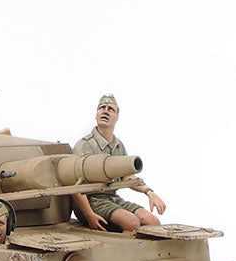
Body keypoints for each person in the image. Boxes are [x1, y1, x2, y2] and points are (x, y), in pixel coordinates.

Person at [70, 95, 167, 232]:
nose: (105, 111)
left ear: (117, 117)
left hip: (112, 198)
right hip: (91, 200)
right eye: (102, 108)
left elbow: (128, 176)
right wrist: (89, 214)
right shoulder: (85, 145)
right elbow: (74, 184)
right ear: (96, 114)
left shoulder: (118, 146)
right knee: (131, 222)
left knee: (152, 221)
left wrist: (149, 192)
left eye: (111, 109)